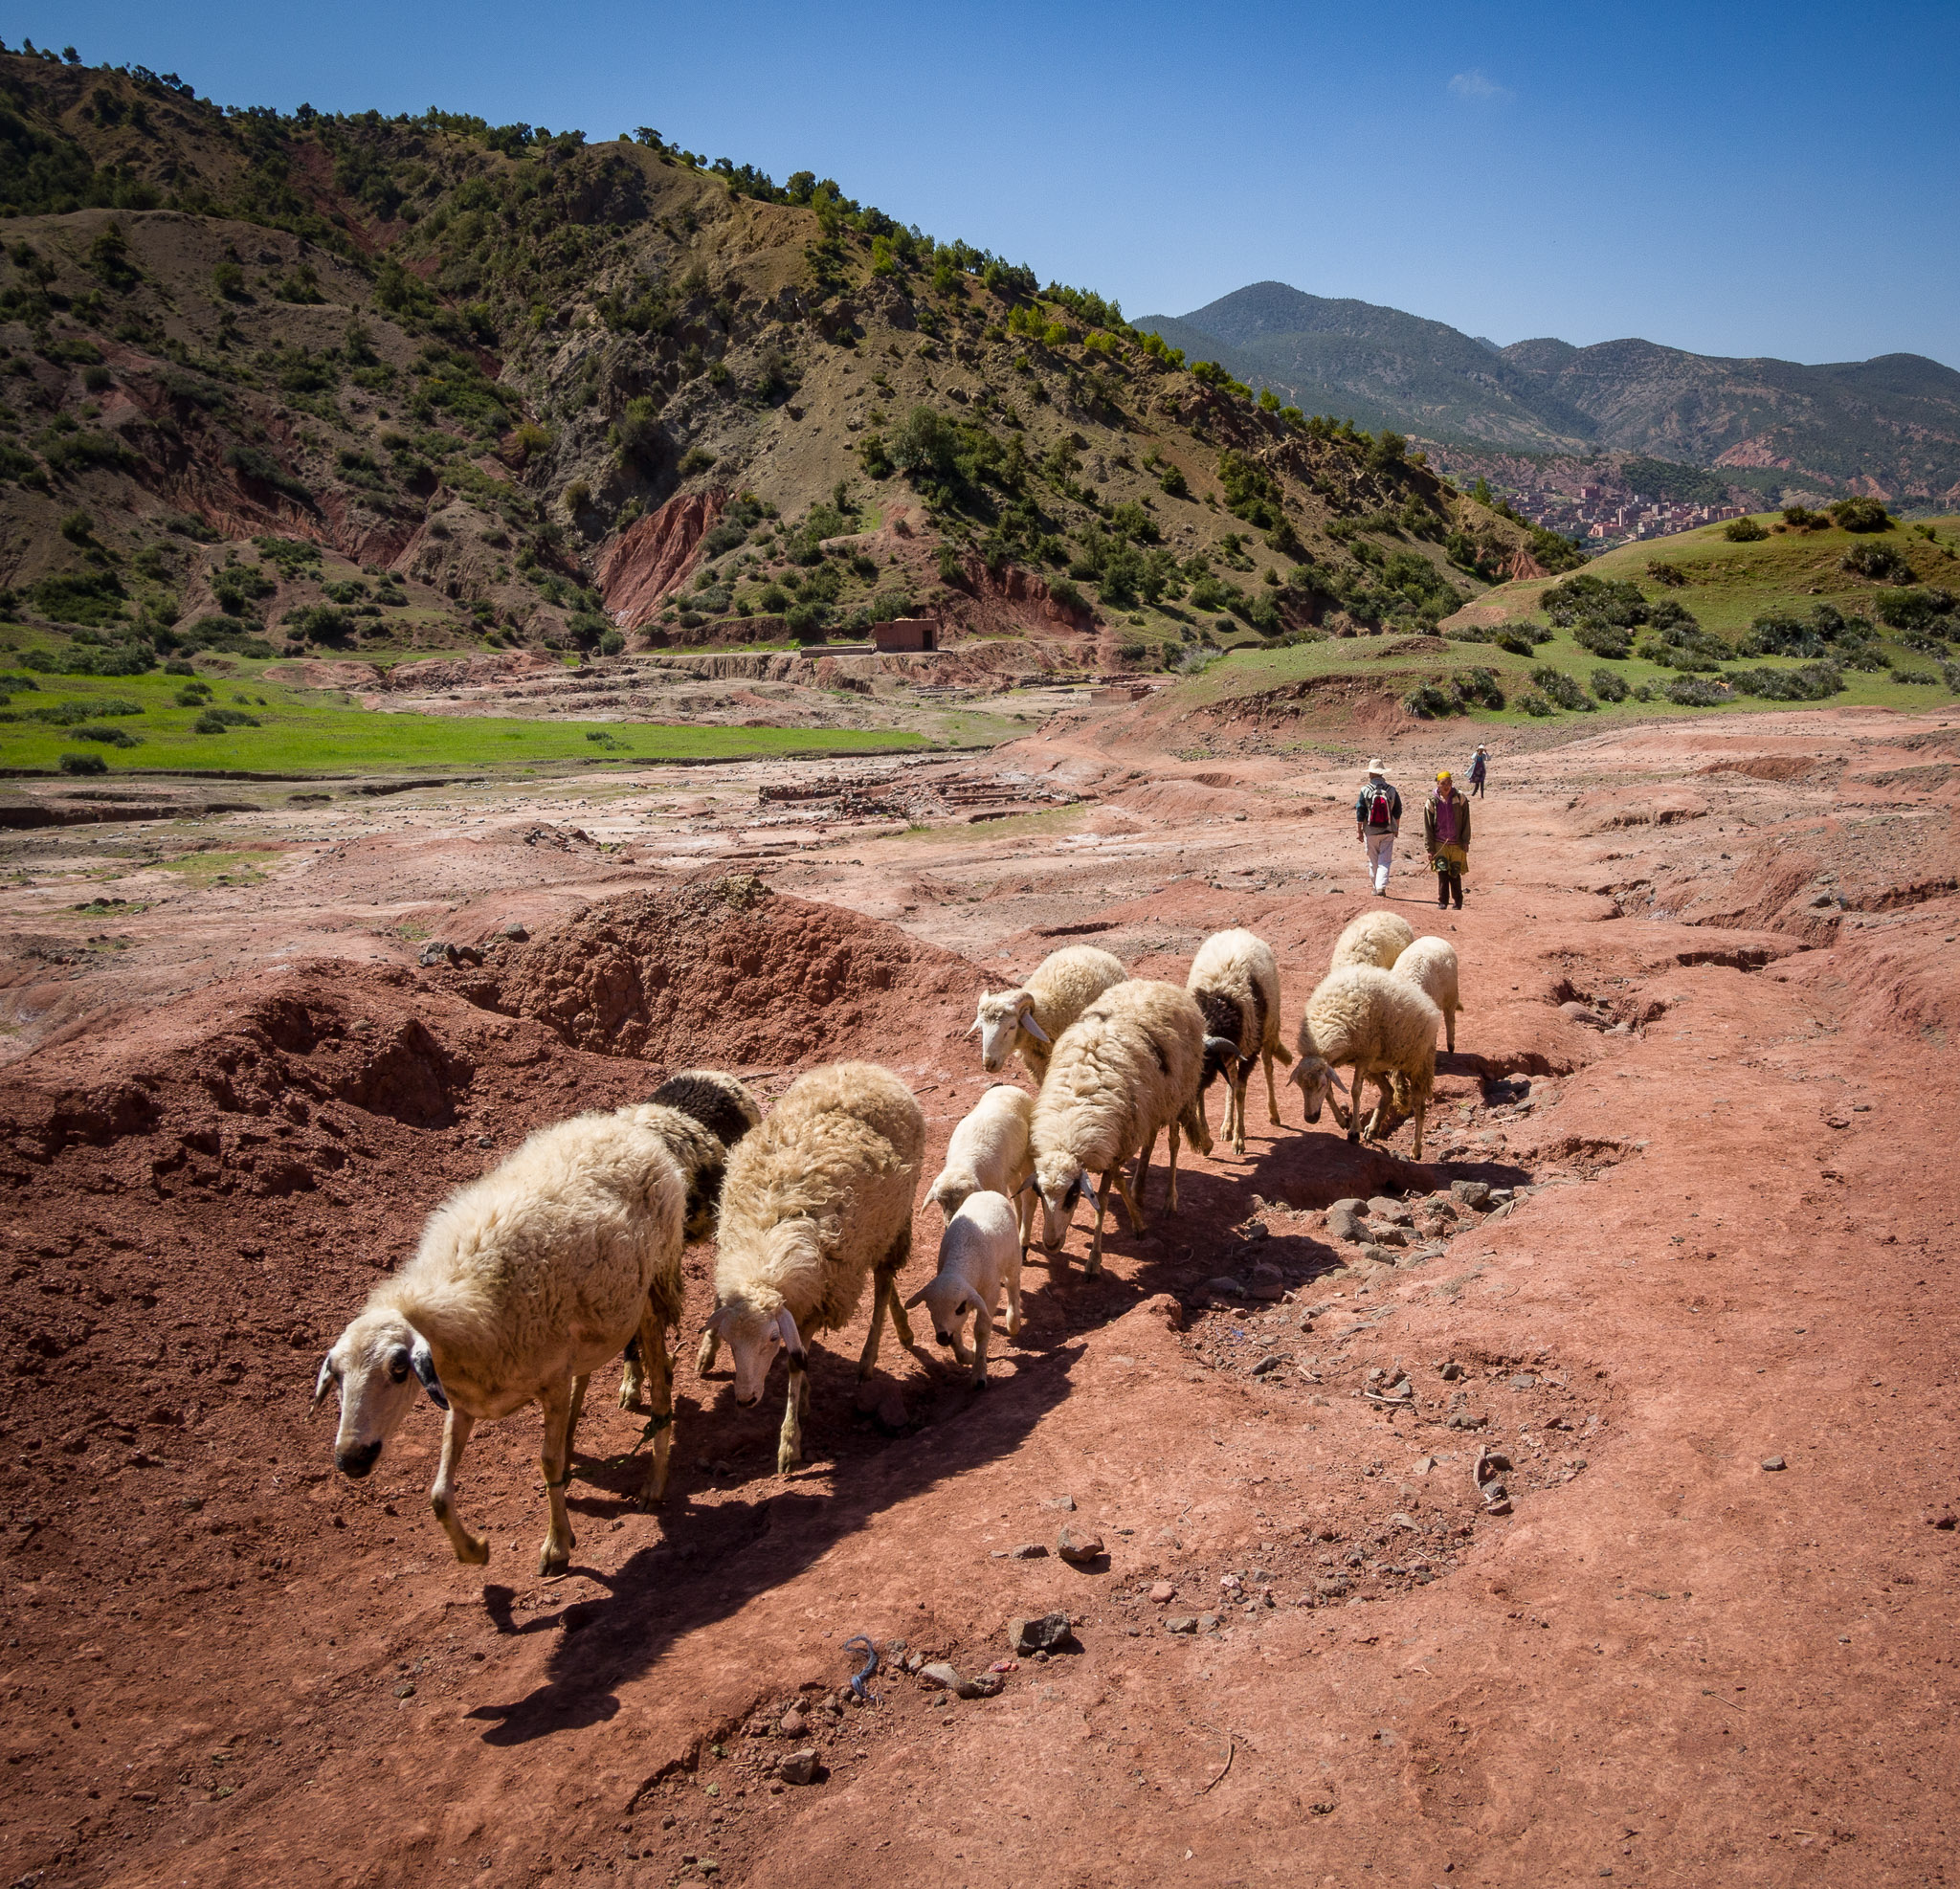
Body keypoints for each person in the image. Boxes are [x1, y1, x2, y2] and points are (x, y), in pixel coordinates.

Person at [1424, 769, 1471, 909]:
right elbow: (1428, 826)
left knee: (1455, 872)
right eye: (1443, 783)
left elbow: (1466, 819)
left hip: (1457, 843)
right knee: (1442, 871)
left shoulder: (1460, 797)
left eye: (1449, 783)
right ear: (1437, 784)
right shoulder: (1432, 801)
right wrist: (1430, 848)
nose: (1447, 786)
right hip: (1440, 843)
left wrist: (1465, 840)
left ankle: (1458, 901)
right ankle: (1442, 901)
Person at [1354, 758, 1401, 896]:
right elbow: (1397, 812)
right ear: (1382, 774)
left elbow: (1360, 812)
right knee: (1385, 860)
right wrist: (1396, 829)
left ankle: (1376, 887)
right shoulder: (1392, 790)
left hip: (1370, 831)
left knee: (1373, 859)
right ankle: (1381, 887)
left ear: (1370, 774)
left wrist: (1359, 831)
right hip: (1387, 830)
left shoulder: (1365, 790)